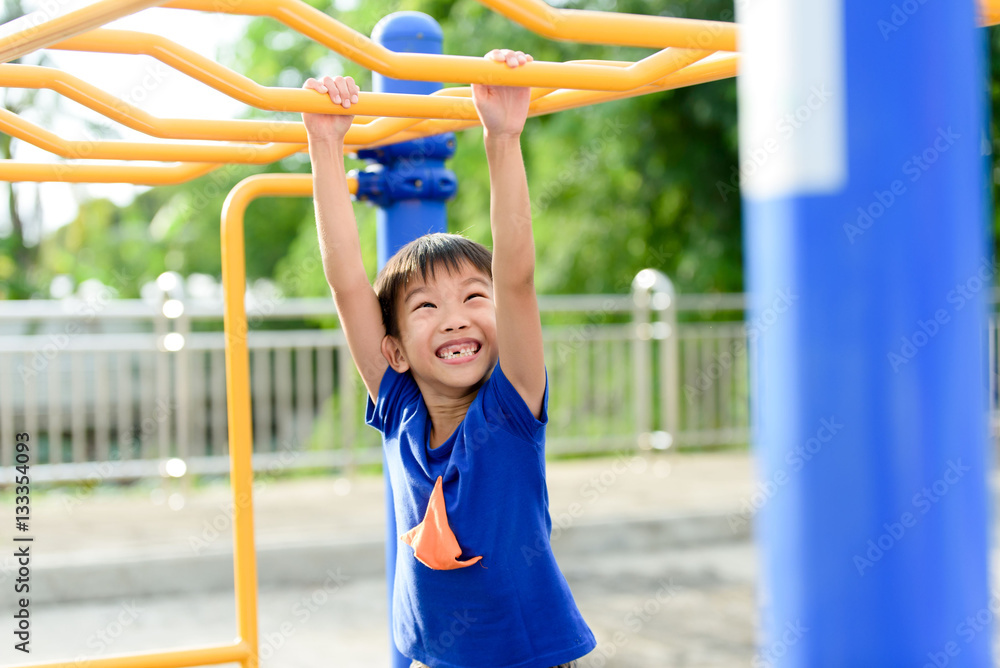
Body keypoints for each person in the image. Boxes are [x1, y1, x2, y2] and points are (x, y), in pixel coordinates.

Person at [302, 47, 596, 668]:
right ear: (395, 351)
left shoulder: (510, 411)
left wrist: (502, 138)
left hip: (528, 658)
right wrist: (326, 149)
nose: (456, 316)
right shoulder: (400, 407)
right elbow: (347, 284)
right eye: (426, 308)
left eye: (471, 297)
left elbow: (515, 277)